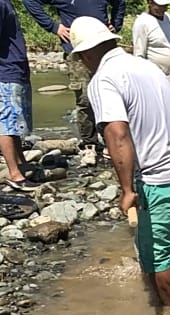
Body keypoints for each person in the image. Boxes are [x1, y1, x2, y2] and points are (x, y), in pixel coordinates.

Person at [69, 16, 170, 307]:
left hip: (164, 179)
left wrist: (127, 189)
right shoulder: (144, 65)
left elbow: (117, 135)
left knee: (159, 258)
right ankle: (156, 287)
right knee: (153, 244)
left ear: (83, 55)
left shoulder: (103, 80)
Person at [23, 0, 125, 153]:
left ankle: (114, 139)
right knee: (85, 99)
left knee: (114, 94)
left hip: (105, 48)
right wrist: (54, 27)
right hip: (77, 52)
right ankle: (90, 144)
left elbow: (120, 3)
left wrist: (115, 24)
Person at [0, 0, 38, 191]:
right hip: (6, 71)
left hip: (14, 69)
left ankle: (20, 163)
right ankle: (14, 174)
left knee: (14, 122)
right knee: (6, 123)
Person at [132, 0, 170, 112]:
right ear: (150, 2)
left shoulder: (167, 18)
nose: (163, 9)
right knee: (166, 110)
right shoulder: (142, 23)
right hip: (159, 77)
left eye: (165, 6)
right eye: (160, 6)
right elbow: (139, 54)